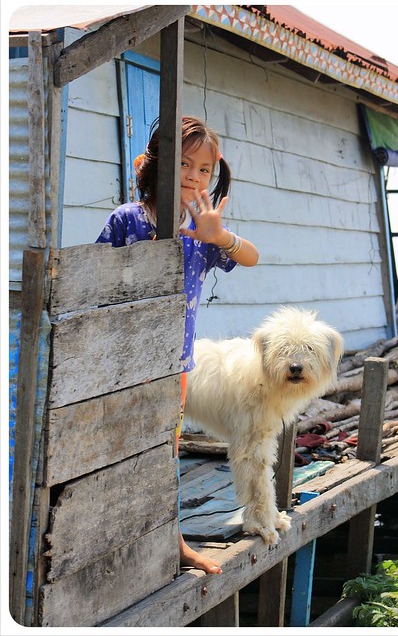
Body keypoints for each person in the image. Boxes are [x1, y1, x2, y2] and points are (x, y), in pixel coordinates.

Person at [96, 116, 259, 575]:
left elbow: (251, 257)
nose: (192, 175)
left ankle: (174, 541)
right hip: (120, 368)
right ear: (155, 164)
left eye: (204, 169)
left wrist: (220, 235)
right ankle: (112, 545)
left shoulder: (201, 232)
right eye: (184, 163)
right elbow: (93, 285)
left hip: (175, 368)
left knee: (164, 456)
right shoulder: (128, 219)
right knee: (116, 456)